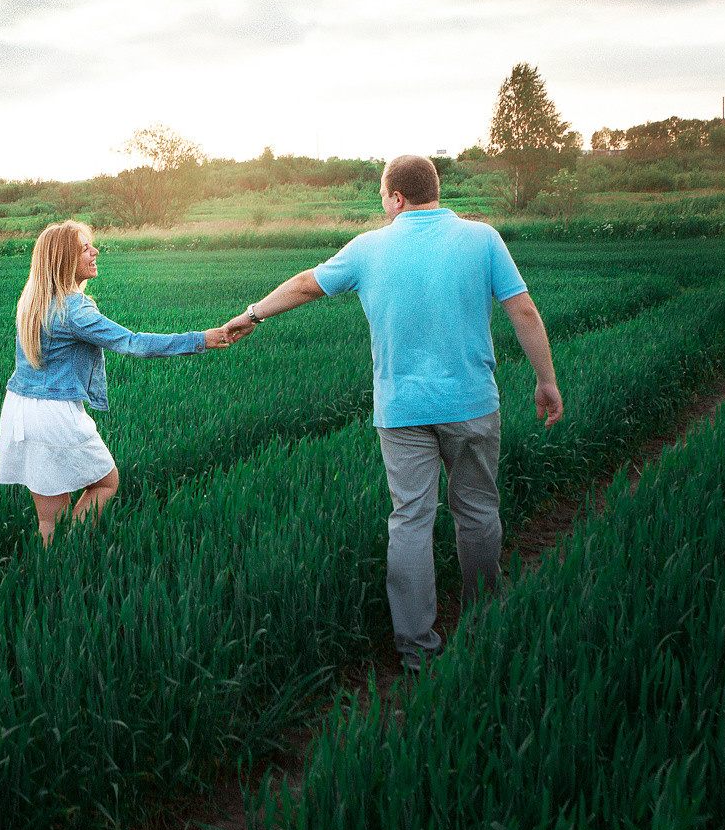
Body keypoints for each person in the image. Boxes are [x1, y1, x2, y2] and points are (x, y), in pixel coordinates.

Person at [233, 154, 562, 674]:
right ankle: (485, 620)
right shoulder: (483, 239)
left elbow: (303, 285)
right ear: (434, 189)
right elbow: (522, 309)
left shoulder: (369, 247)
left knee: (410, 519)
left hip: (401, 409)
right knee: (477, 511)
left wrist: (251, 314)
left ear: (395, 197)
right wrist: (546, 380)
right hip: (472, 403)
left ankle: (416, 648)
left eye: (383, 196)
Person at [0, 219, 252, 544]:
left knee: (50, 517)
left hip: (19, 409)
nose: (95, 251)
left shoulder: (32, 303)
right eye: (84, 248)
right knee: (106, 483)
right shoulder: (74, 310)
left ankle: (50, 575)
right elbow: (134, 343)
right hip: (54, 415)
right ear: (64, 260)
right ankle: (70, 555)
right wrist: (201, 339)